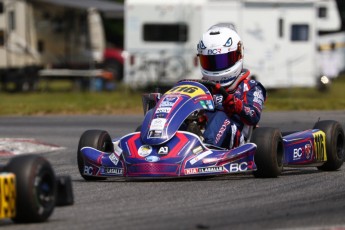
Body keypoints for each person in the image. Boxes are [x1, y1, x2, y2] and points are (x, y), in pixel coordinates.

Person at [196, 23, 266, 149]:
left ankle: (208, 149)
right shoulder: (200, 88)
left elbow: (254, 116)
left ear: (239, 55)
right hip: (199, 136)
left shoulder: (251, 87)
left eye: (222, 60)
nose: (216, 67)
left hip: (237, 142)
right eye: (210, 61)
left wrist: (237, 105)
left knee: (221, 114)